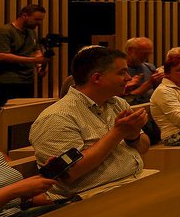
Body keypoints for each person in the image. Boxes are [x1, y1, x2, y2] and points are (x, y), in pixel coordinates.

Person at [30, 46, 154, 198]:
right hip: (93, 193)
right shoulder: (57, 117)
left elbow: (143, 147)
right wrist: (118, 132)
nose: (129, 78)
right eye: (122, 72)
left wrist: (133, 135)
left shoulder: (118, 103)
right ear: (96, 78)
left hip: (134, 179)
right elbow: (70, 173)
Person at [0, 82, 64, 217]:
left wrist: (32, 186)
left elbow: (5, 195)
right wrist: (16, 190)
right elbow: (8, 192)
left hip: (14, 216)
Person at [0, 3, 47, 101]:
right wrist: (33, 60)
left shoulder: (31, 33)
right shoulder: (3, 32)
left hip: (27, 81)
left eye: (41, 20)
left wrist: (40, 67)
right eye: (36, 19)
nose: (39, 23)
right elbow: (1, 56)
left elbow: (36, 50)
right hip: (7, 81)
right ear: (24, 16)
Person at [121, 37, 162, 104]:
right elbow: (124, 100)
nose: (146, 57)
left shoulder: (149, 67)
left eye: (149, 54)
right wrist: (149, 83)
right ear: (130, 50)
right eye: (143, 53)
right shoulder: (119, 71)